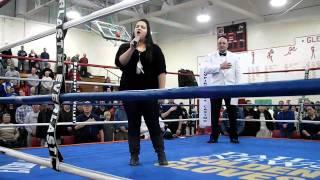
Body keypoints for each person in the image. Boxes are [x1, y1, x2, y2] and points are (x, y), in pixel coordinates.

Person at [115, 19, 168, 166]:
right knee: (133, 124)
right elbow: (120, 63)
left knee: (154, 124)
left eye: (142, 27)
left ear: (147, 31)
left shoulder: (155, 49)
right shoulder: (125, 46)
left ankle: (161, 154)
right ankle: (134, 156)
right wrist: (132, 48)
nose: (139, 28)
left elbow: (161, 71)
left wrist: (161, 93)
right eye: (137, 26)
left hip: (150, 93)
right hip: (129, 93)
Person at [202, 36, 241, 144]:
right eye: (220, 43)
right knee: (214, 114)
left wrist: (237, 89)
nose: (222, 44)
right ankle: (214, 137)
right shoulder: (210, 56)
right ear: (217, 45)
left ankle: (234, 136)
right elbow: (205, 69)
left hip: (231, 88)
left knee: (232, 114)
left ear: (227, 44)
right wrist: (219, 66)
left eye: (224, 43)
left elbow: (238, 74)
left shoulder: (234, 57)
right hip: (215, 88)